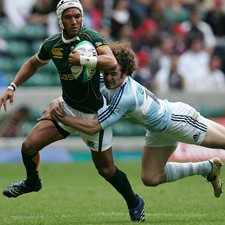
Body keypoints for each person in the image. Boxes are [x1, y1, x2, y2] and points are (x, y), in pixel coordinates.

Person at [0, 1, 144, 222]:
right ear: (61, 20)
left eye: (78, 16)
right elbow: (33, 63)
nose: (75, 20)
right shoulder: (53, 44)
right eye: (69, 17)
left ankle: (134, 201)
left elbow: (110, 61)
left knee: (106, 170)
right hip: (66, 108)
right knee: (28, 147)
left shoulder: (91, 37)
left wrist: (84, 59)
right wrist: (12, 86)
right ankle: (32, 182)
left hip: (94, 114)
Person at [51, 42, 224, 199]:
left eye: (113, 74)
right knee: (150, 178)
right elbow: (83, 91)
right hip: (157, 130)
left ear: (125, 72)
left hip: (178, 120)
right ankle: (207, 169)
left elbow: (93, 127)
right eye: (106, 73)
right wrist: (60, 100)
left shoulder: (127, 96)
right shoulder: (107, 79)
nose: (108, 78)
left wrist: (65, 118)